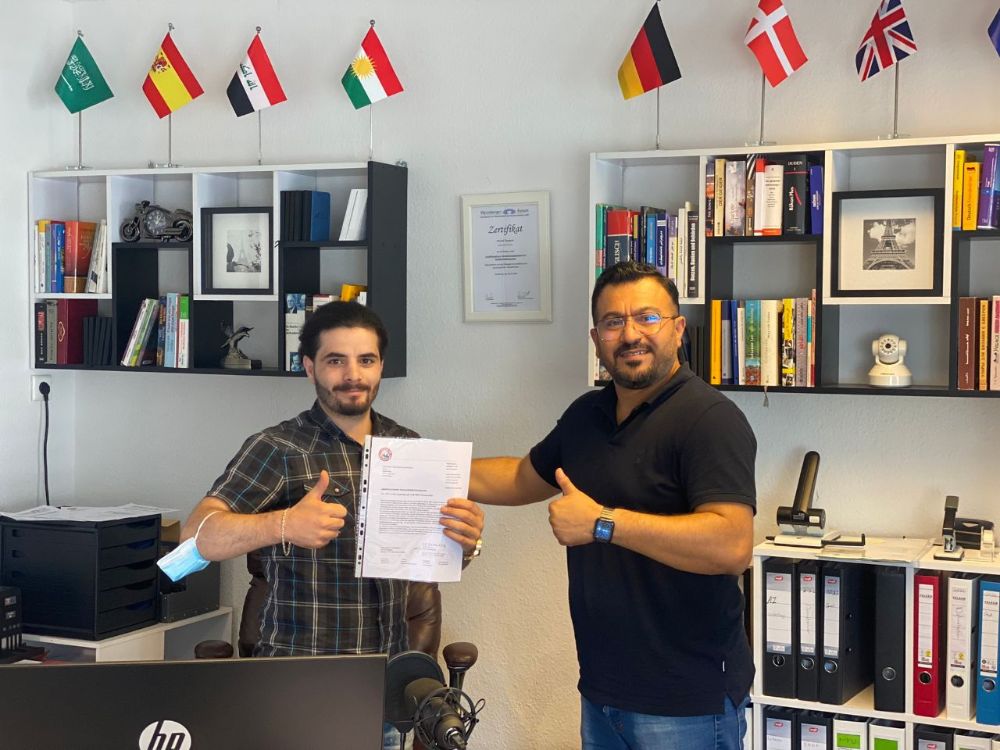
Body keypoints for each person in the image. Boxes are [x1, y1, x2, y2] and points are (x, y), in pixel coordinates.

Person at [468, 261, 756, 749]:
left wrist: (602, 523)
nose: (630, 334)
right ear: (596, 338)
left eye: (647, 317)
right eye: (613, 322)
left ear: (678, 329)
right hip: (603, 691)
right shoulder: (588, 414)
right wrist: (424, 467)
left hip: (687, 702)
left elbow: (731, 545)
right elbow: (521, 477)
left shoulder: (709, 419)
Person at [181, 301, 485, 750]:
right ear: (310, 368)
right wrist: (284, 524)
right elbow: (194, 538)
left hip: (383, 688)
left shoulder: (409, 448)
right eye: (336, 360)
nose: (353, 375)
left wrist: (466, 543)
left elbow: (431, 556)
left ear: (381, 366)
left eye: (366, 360)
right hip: (296, 689)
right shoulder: (278, 448)